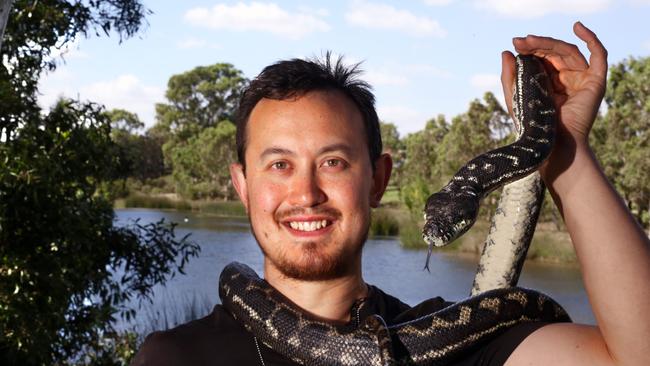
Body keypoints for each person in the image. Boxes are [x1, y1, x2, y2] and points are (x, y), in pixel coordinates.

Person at [132, 22, 650, 365]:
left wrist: (562, 153)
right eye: (280, 164)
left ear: (378, 179)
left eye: (333, 162)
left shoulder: (453, 341)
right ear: (242, 186)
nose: (305, 193)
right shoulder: (176, 356)